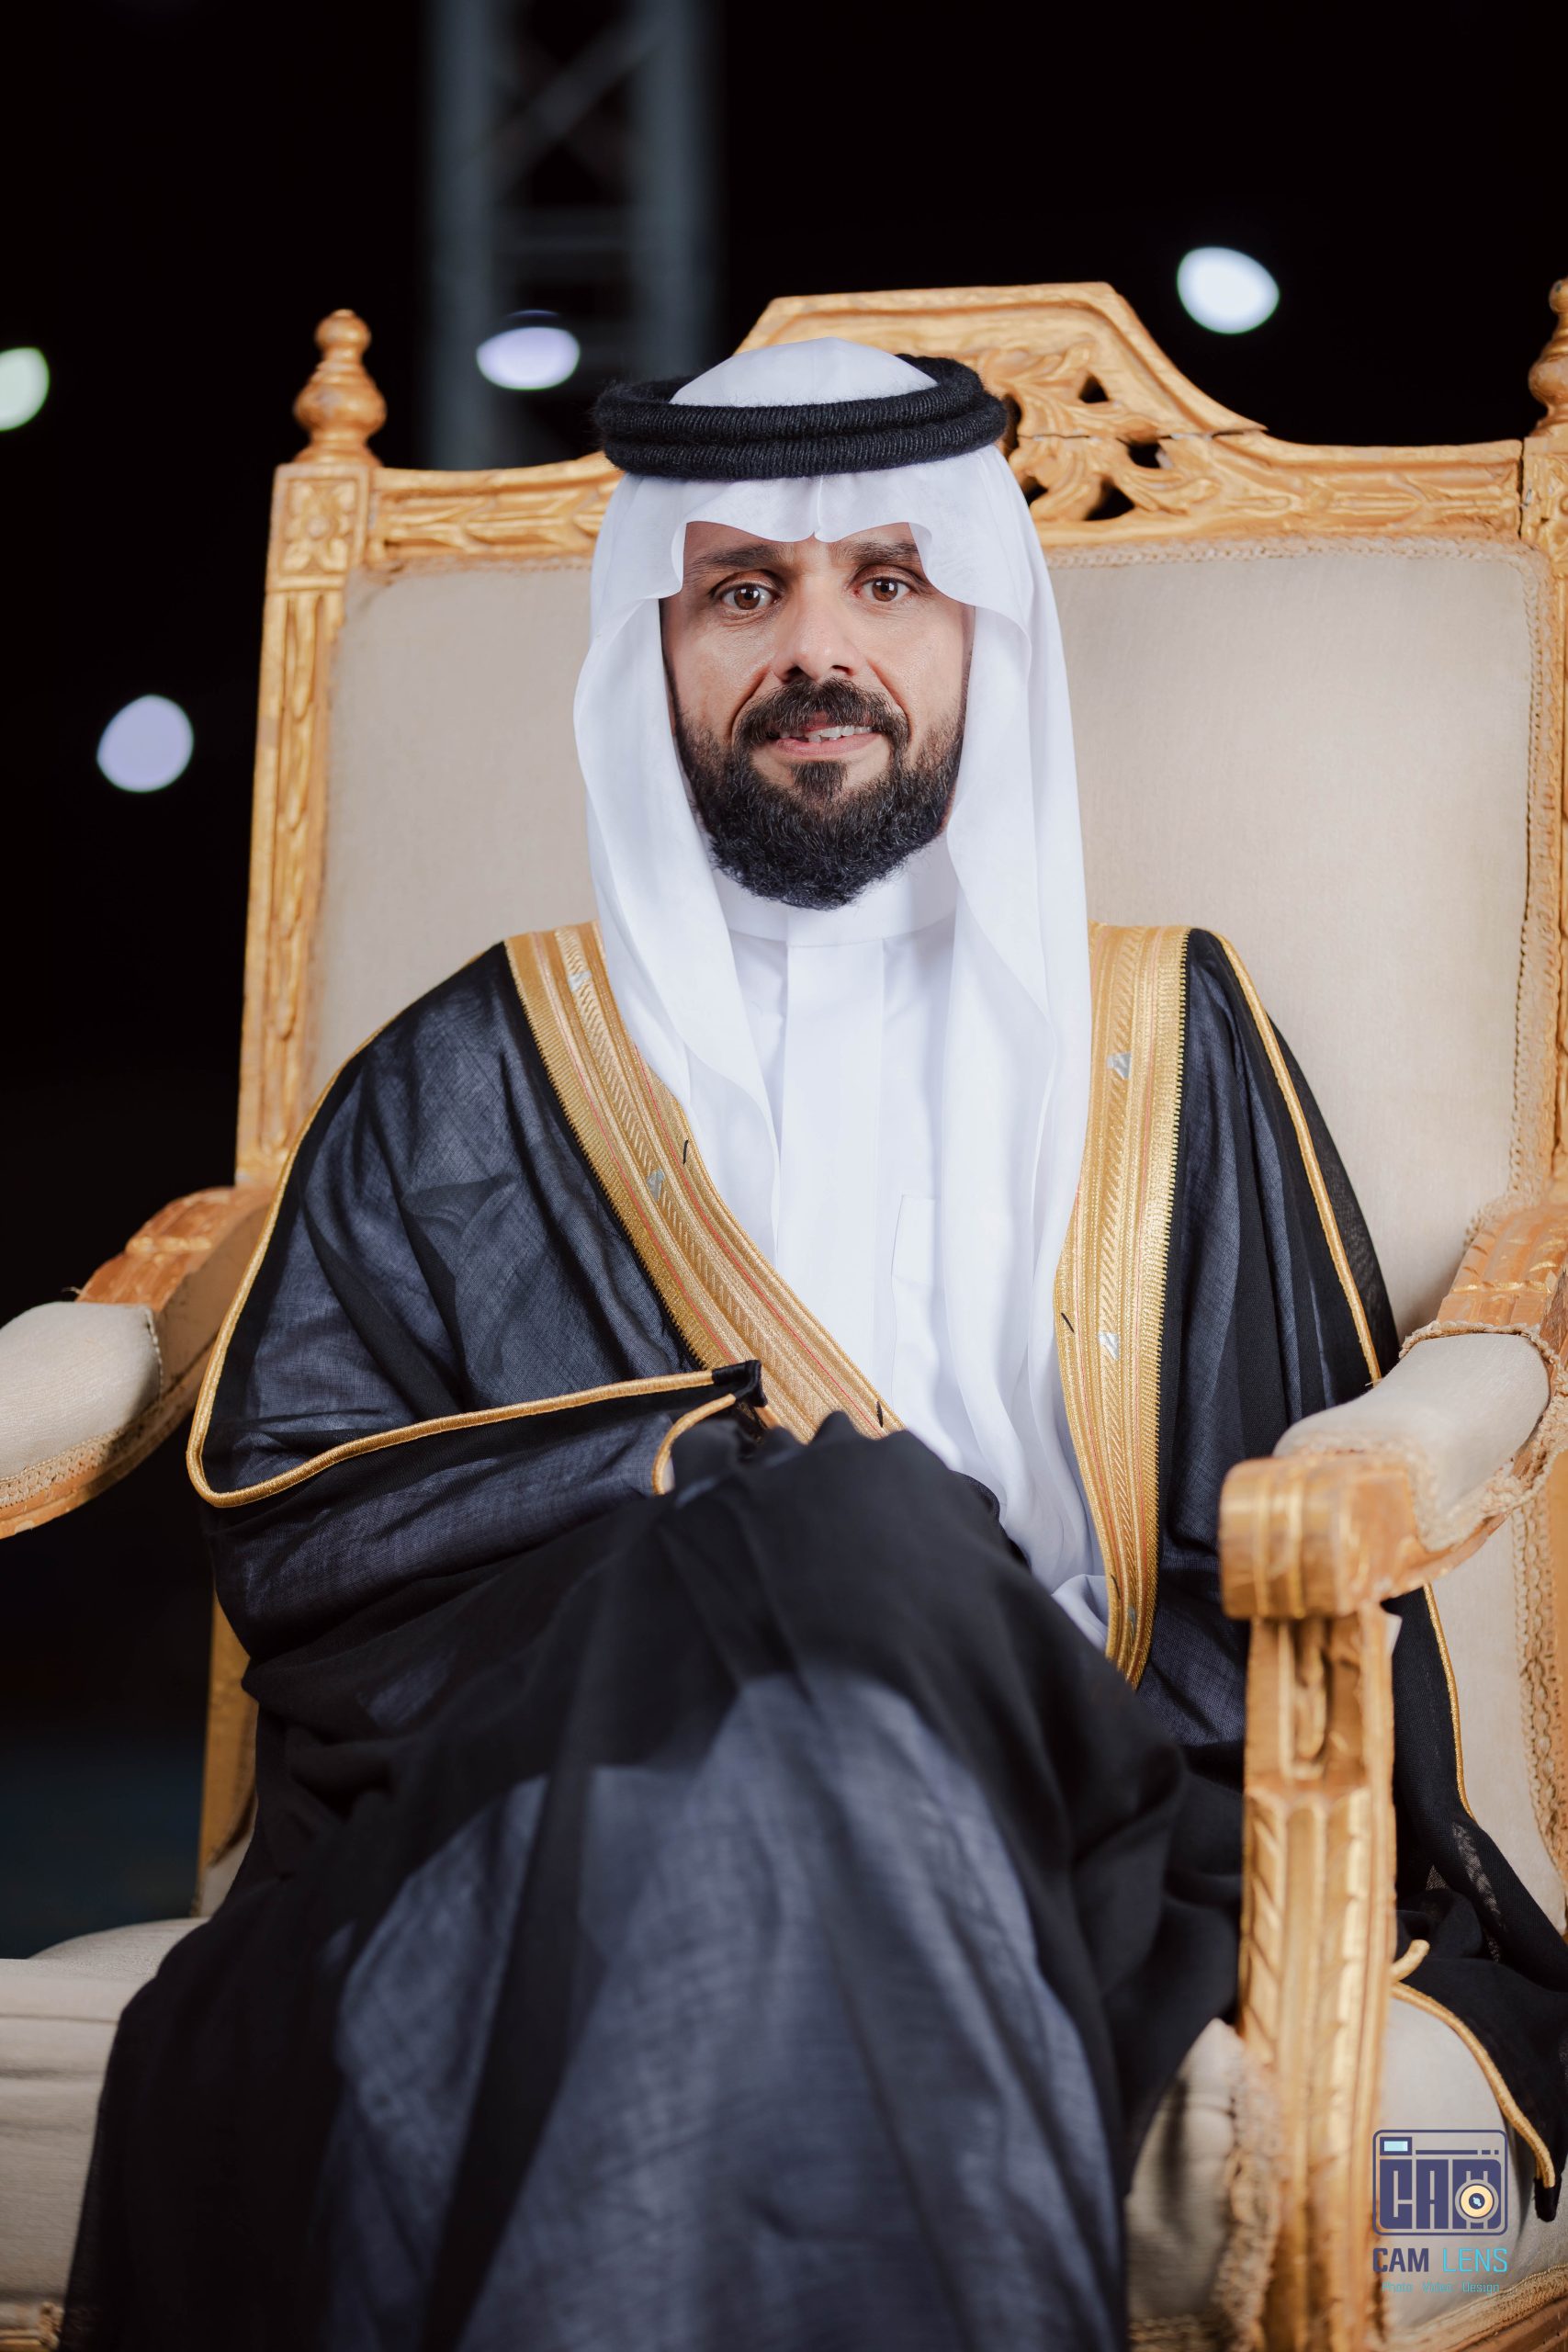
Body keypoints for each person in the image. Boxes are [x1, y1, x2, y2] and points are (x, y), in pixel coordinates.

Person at [61, 340, 1568, 2350]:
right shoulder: (464, 1076)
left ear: (977, 626)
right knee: (794, 1657)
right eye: (744, 592)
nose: (817, 648)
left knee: (848, 1570)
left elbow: (1250, 1565)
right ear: (657, 647)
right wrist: (713, 1496)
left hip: (1049, 1789)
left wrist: (836, 1554)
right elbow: (307, 1527)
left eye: (889, 579)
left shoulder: (1166, 1045)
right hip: (578, 1777)